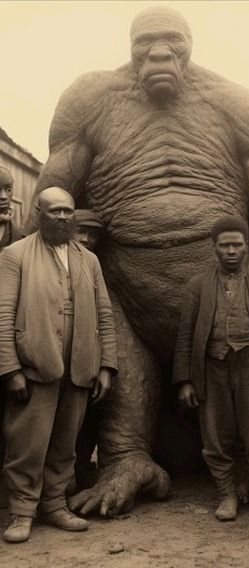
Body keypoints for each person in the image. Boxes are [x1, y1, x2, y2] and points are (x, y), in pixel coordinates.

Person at [0, 187, 118, 543]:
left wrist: (106, 366)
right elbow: (2, 315)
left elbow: (105, 314)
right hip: (35, 364)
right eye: (55, 211)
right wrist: (10, 369)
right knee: (27, 444)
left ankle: (53, 506)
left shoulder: (88, 260)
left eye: (68, 211)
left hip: (80, 364)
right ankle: (21, 513)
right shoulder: (14, 255)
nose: (63, 217)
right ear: (39, 212)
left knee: (66, 442)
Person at [173, 216, 249, 527]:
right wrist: (185, 379)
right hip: (211, 366)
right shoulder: (197, 286)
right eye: (224, 246)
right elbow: (185, 335)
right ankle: (227, 495)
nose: (230, 251)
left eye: (236, 245)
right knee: (215, 435)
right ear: (214, 248)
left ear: (246, 248)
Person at [72, 209, 104, 489]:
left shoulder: (96, 264)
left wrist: (106, 365)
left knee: (91, 418)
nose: (87, 238)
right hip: (55, 357)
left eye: (93, 234)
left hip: (88, 357)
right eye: (81, 231)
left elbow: (105, 316)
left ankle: (81, 471)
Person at [0, 165, 21, 507]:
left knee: (13, 422)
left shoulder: (24, 240)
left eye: (8, 189)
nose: (4, 197)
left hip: (11, 345)